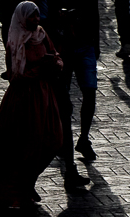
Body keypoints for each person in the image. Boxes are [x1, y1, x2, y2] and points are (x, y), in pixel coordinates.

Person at [0, 1, 64, 209]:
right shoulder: (16, 39)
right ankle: (15, 190)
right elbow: (14, 74)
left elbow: (56, 55)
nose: (36, 20)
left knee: (52, 139)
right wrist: (37, 70)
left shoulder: (41, 34)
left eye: (37, 16)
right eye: (31, 16)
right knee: (23, 145)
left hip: (44, 96)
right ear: (22, 18)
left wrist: (54, 64)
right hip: (23, 98)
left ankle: (27, 183)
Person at [49, 0, 98, 183]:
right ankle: (67, 147)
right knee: (64, 100)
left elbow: (94, 13)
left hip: (85, 43)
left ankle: (83, 138)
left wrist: (96, 43)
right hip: (64, 46)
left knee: (90, 91)